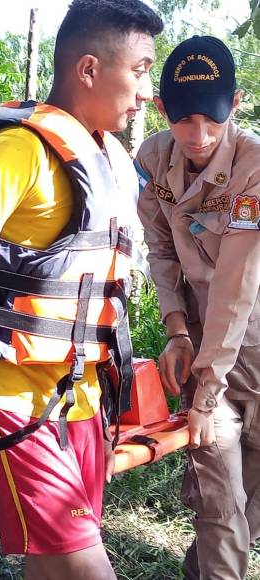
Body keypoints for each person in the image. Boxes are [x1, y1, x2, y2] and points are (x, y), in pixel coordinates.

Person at [0, 1, 163, 578]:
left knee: (52, 567)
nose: (146, 92)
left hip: (81, 402)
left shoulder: (111, 155)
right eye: (141, 70)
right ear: (90, 70)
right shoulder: (19, 150)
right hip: (11, 399)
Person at [135, 36, 260, 580]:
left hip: (250, 340)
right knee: (218, 488)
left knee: (247, 495)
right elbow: (160, 250)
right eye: (184, 120)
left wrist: (205, 392)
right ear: (162, 110)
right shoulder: (153, 159)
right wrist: (177, 331)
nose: (199, 136)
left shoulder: (253, 168)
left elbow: (236, 284)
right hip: (207, 346)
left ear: (234, 105)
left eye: (211, 120)